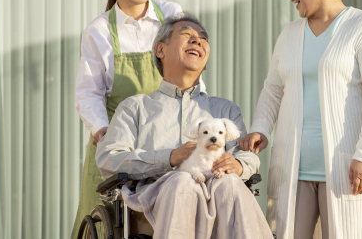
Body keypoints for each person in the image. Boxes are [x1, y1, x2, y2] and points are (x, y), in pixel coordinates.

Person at [238, 0, 362, 239]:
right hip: (291, 172)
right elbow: (273, 89)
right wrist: (260, 127)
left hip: (345, 171)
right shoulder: (290, 34)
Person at [71, 0, 206, 239]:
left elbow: (190, 67)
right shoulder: (99, 31)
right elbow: (88, 92)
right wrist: (103, 131)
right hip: (121, 140)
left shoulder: (171, 13)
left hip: (169, 133)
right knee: (107, 227)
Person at [96, 13, 272, 239]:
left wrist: (238, 164)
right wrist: (168, 157)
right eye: (187, 34)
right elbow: (108, 159)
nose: (198, 41)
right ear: (160, 50)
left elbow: (248, 157)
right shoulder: (135, 108)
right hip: (154, 201)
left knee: (229, 183)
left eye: (203, 39)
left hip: (218, 194)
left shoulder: (225, 111)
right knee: (182, 182)